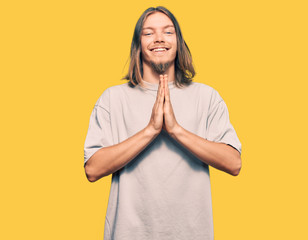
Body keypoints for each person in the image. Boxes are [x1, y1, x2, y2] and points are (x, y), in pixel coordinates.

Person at [83, 6, 242, 240]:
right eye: (148, 33)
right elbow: (92, 169)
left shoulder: (207, 97)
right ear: (138, 44)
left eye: (168, 32)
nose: (159, 38)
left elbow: (234, 163)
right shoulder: (112, 98)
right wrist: (151, 130)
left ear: (178, 42)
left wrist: (176, 130)